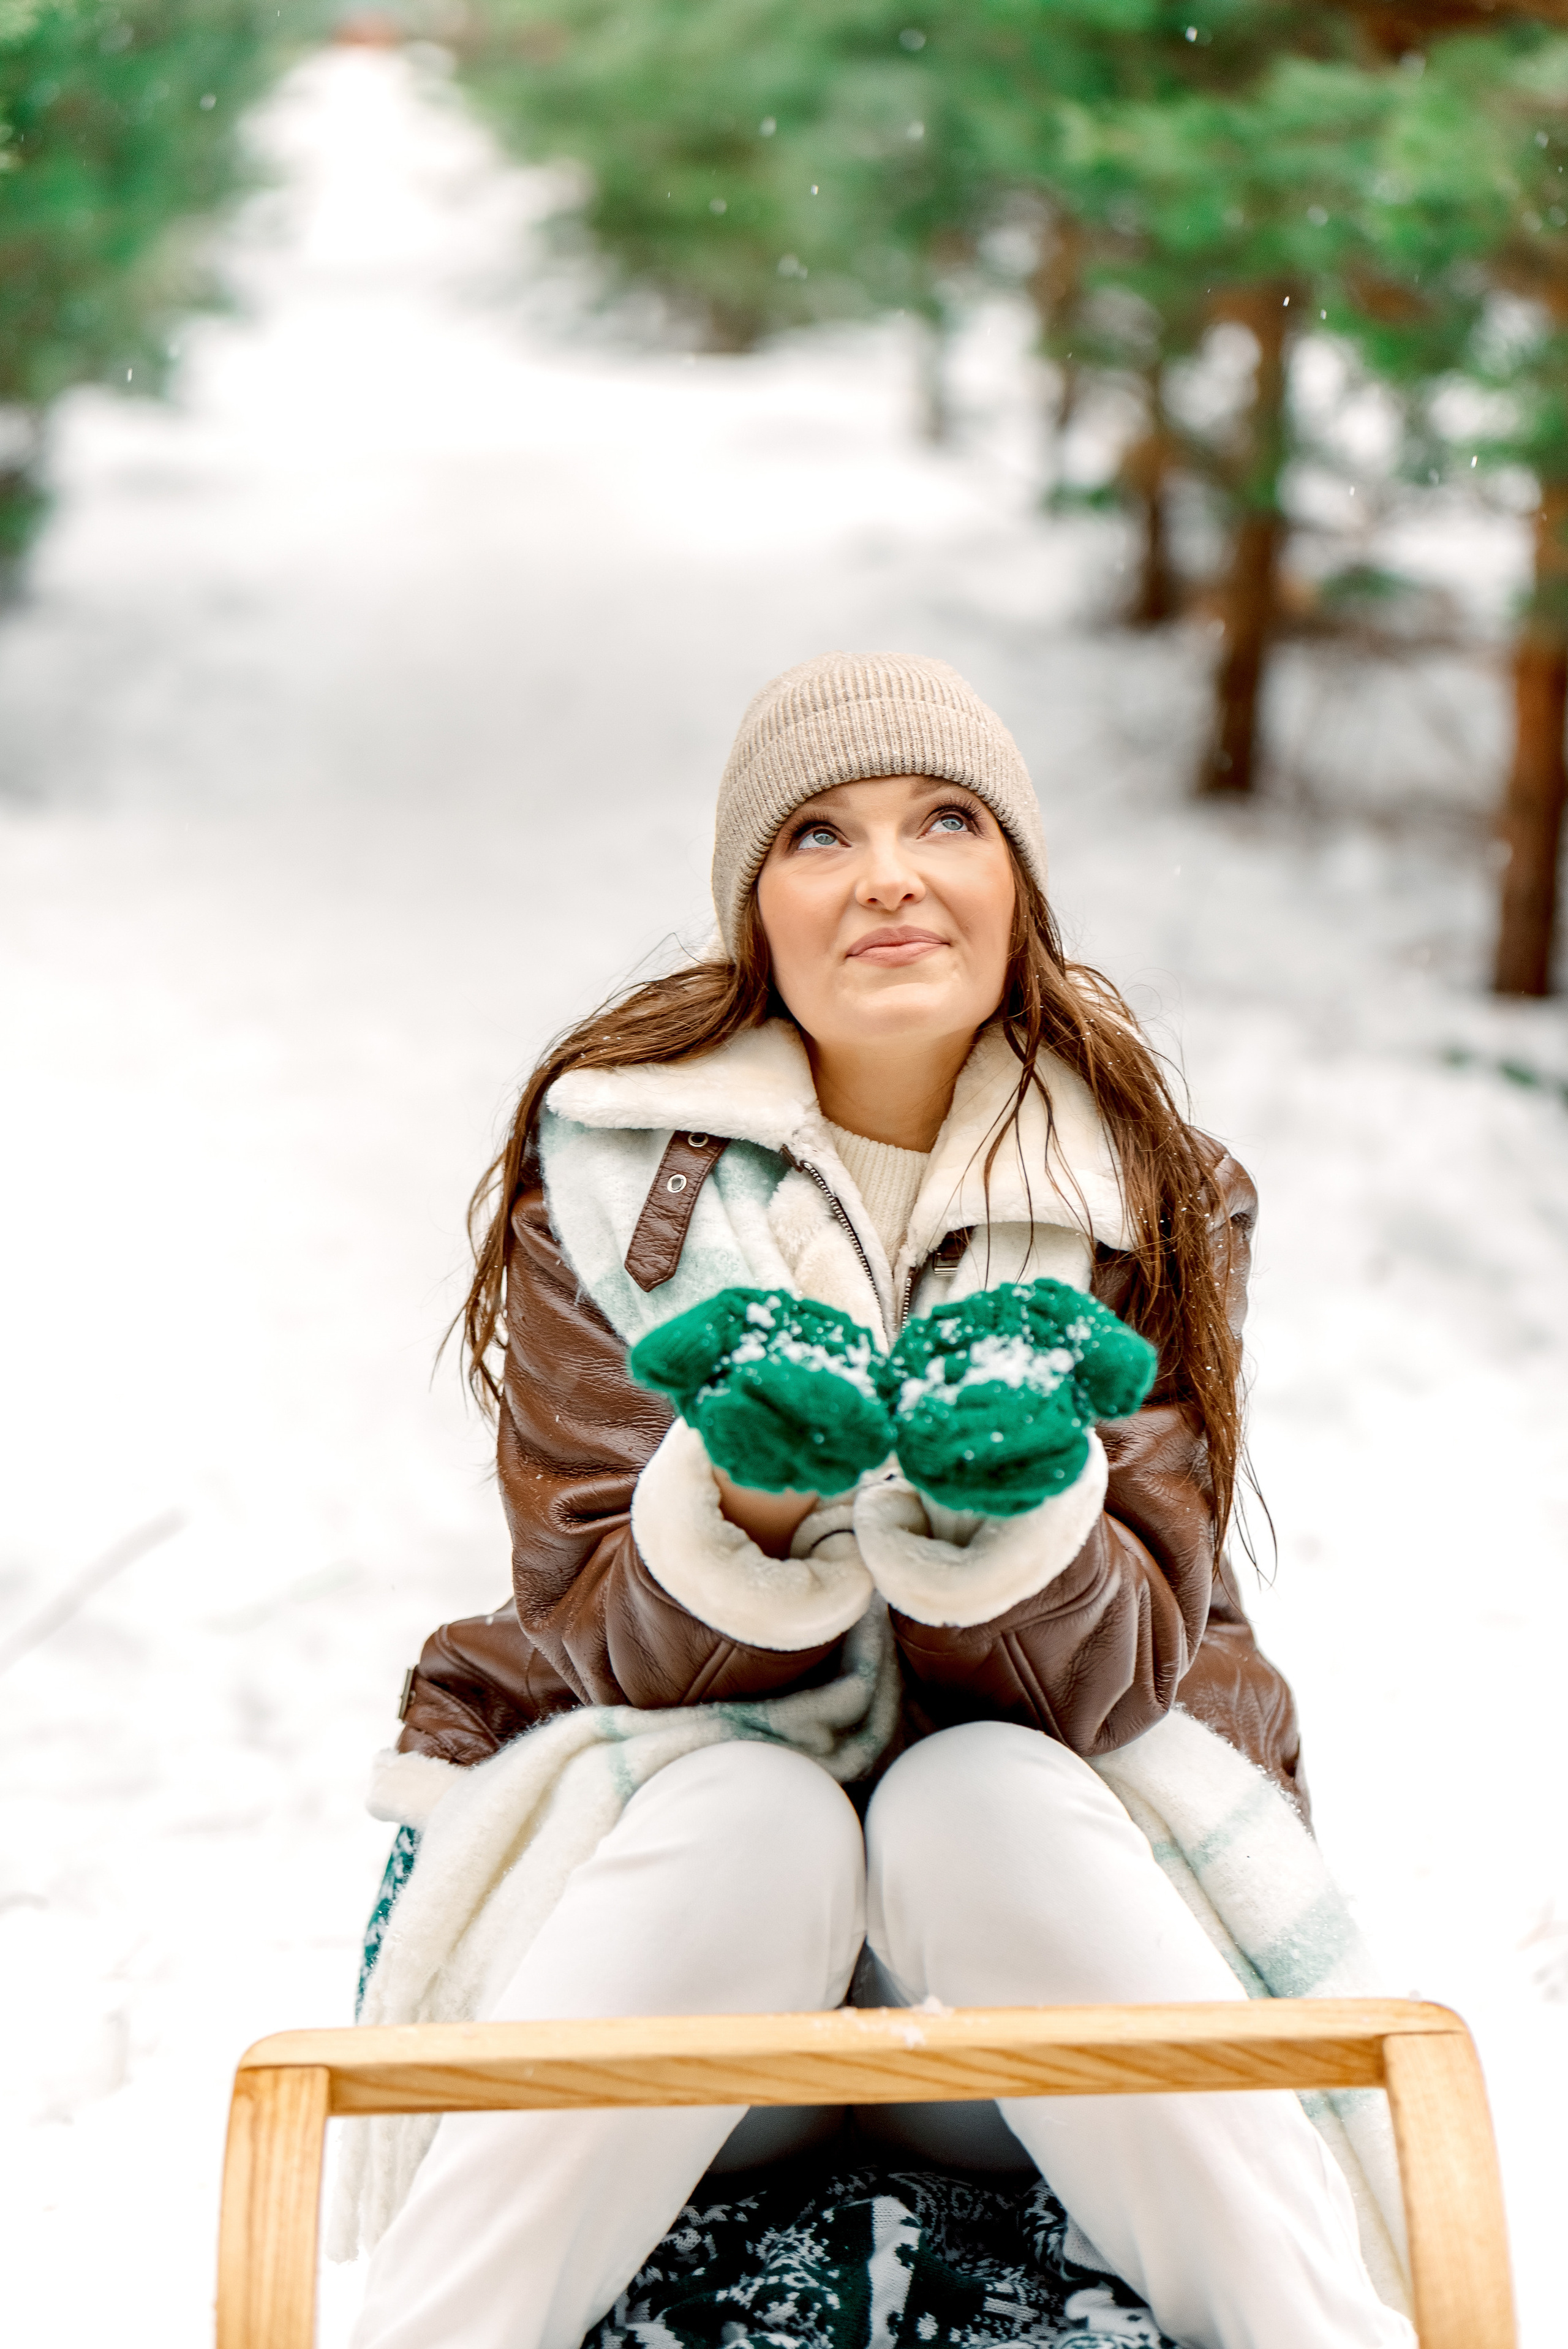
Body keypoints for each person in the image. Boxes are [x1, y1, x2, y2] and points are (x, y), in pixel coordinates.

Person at [349, 653, 1412, 2349]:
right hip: (690, 1972)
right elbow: (602, 1634)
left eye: (947, 818)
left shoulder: (1148, 1192)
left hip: (1025, 1979)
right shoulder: (611, 1181)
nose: (890, 873)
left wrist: (1013, 1520)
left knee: (971, 1791)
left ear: (1018, 885)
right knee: (759, 1810)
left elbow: (1119, 1669)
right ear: (755, 911)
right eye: (819, 834)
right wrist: (753, 1511)